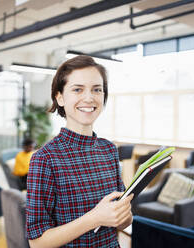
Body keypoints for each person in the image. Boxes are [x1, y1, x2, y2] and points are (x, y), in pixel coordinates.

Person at [26, 55, 133, 247]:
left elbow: (123, 221)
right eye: (77, 89)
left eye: (97, 90)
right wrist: (95, 218)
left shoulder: (109, 150)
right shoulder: (45, 159)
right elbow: (37, 243)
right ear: (60, 97)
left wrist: (124, 214)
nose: (89, 98)